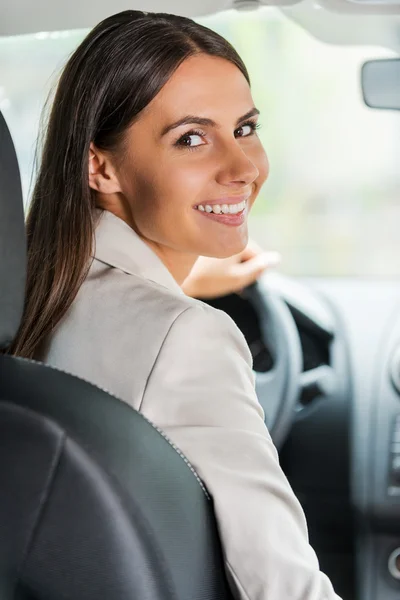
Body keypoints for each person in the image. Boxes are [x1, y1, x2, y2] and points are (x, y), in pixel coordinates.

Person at [9, 10, 341, 600]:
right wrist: (181, 305)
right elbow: (280, 583)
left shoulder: (31, 292)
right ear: (100, 165)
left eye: (244, 128)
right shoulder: (188, 338)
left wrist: (182, 279)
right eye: (191, 138)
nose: (242, 168)